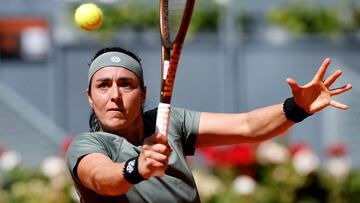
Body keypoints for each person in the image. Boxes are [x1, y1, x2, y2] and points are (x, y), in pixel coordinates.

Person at [66, 47, 352, 203]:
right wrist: (136, 167)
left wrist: (296, 108)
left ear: (142, 94)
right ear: (90, 99)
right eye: (103, 86)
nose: (115, 95)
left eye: (125, 84)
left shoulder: (169, 120)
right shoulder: (88, 144)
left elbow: (248, 126)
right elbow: (103, 179)